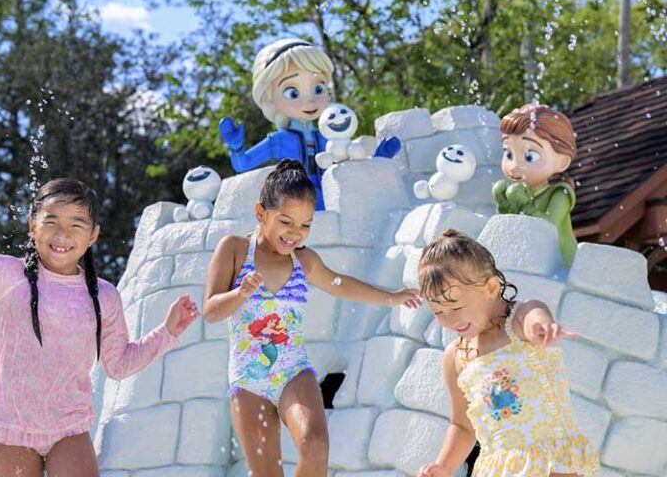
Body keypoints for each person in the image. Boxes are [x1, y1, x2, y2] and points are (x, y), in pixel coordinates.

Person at [0, 178, 199, 477]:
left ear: (93, 235)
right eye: (51, 221)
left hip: (68, 427)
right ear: (32, 225)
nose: (62, 233)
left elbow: (118, 364)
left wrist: (167, 332)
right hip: (11, 426)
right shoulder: (5, 274)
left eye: (77, 224)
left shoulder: (103, 295)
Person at [203, 159, 421, 477]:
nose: (295, 234)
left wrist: (392, 296)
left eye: (305, 225)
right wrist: (240, 294)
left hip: (293, 371)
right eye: (286, 222)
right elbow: (210, 310)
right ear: (261, 212)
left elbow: (339, 283)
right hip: (249, 381)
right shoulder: (235, 249)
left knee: (315, 444)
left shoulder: (303, 260)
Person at [416, 229, 599, 477]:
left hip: (550, 462)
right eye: (438, 312)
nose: (449, 319)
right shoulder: (456, 356)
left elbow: (534, 315)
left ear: (491, 287)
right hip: (499, 468)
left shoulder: (517, 321)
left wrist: (541, 326)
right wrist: (444, 466)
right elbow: (461, 426)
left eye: (456, 306)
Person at [218, 38, 401, 210]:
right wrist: (237, 147)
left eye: (318, 88)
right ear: (268, 96)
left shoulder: (326, 135)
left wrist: (376, 160)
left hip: (329, 198)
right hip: (295, 203)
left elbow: (349, 164)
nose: (310, 101)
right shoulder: (279, 140)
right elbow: (242, 164)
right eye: (293, 92)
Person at [493, 104, 578, 266]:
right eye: (509, 154)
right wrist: (503, 203)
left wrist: (524, 204)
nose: (514, 166)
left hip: (560, 266)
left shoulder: (560, 194)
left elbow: (547, 226)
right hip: (526, 261)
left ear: (562, 162)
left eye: (530, 156)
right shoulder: (517, 192)